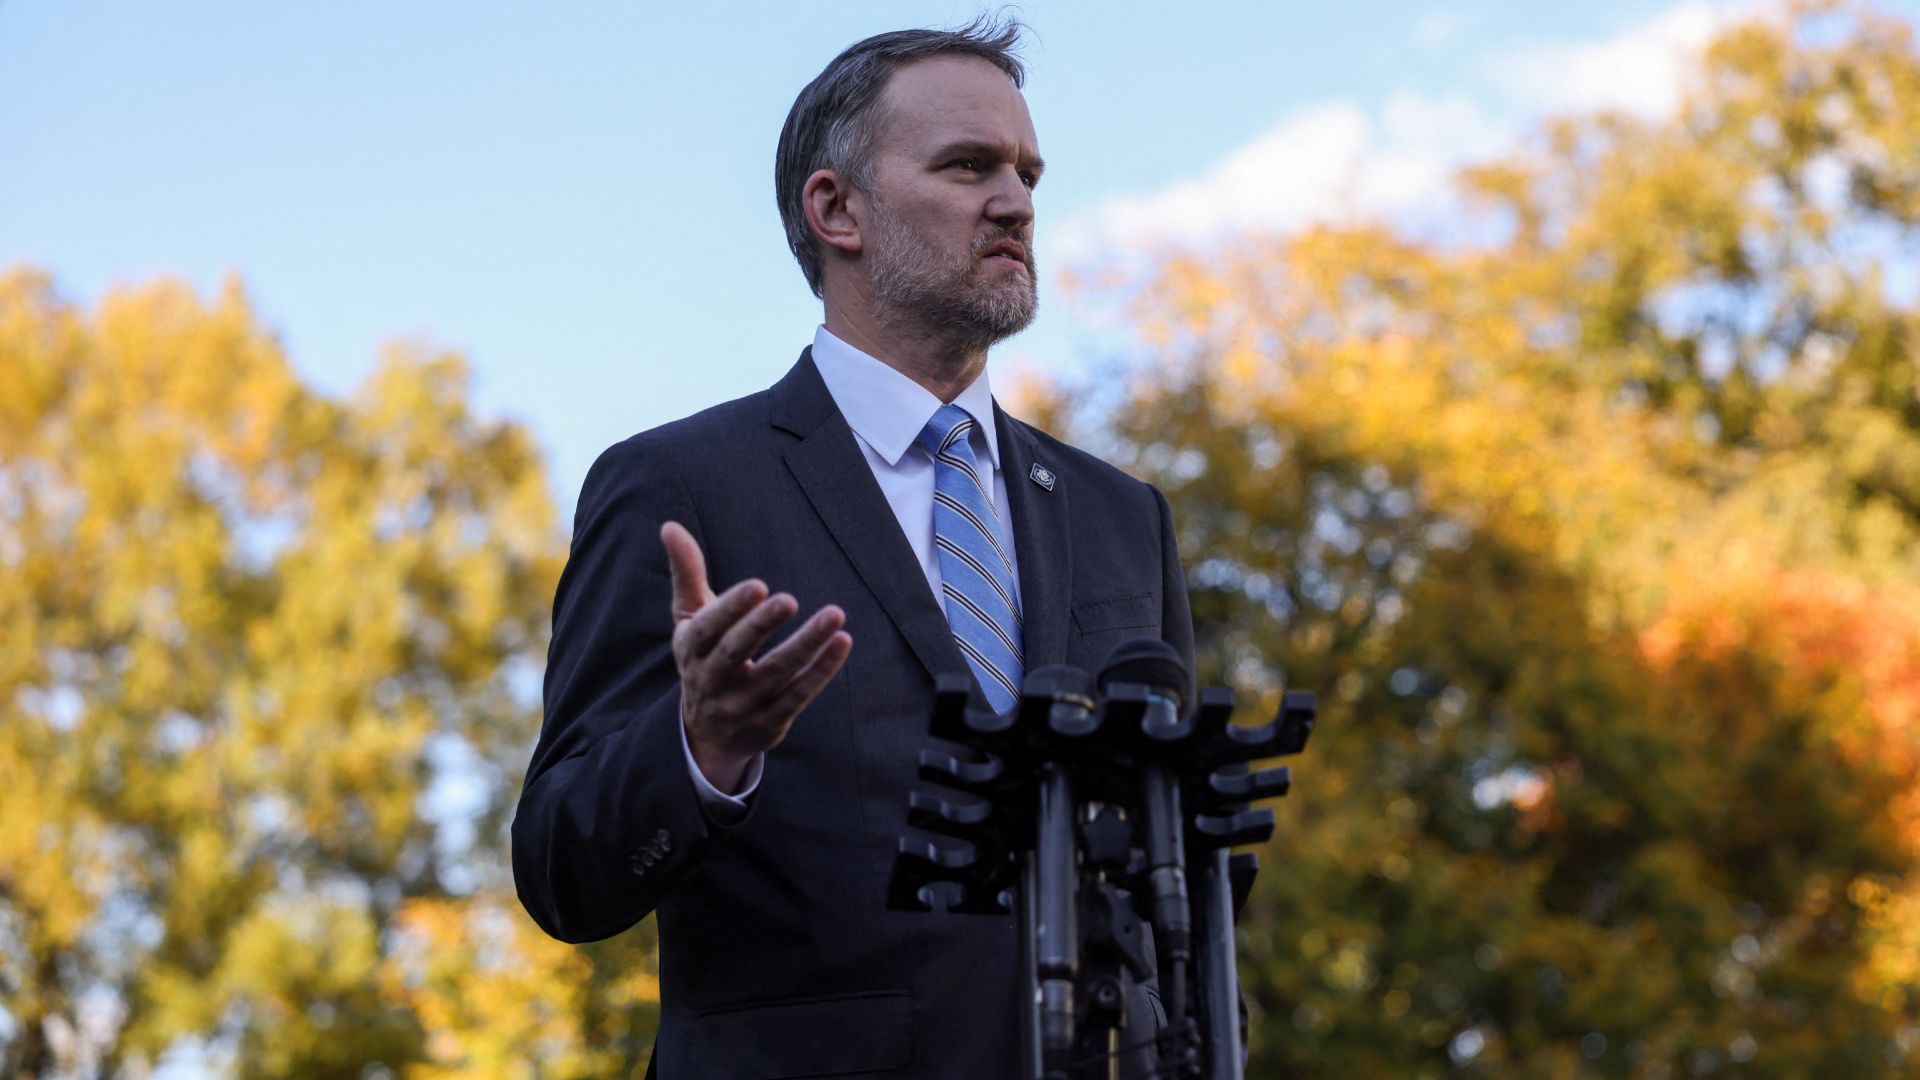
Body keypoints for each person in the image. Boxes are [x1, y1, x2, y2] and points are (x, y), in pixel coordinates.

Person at [513, 18, 1196, 1078]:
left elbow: (1180, 877)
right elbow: (563, 869)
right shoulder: (682, 486)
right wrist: (701, 747)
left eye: (1025, 173)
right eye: (967, 166)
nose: (1015, 202)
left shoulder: (1122, 515)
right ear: (836, 210)